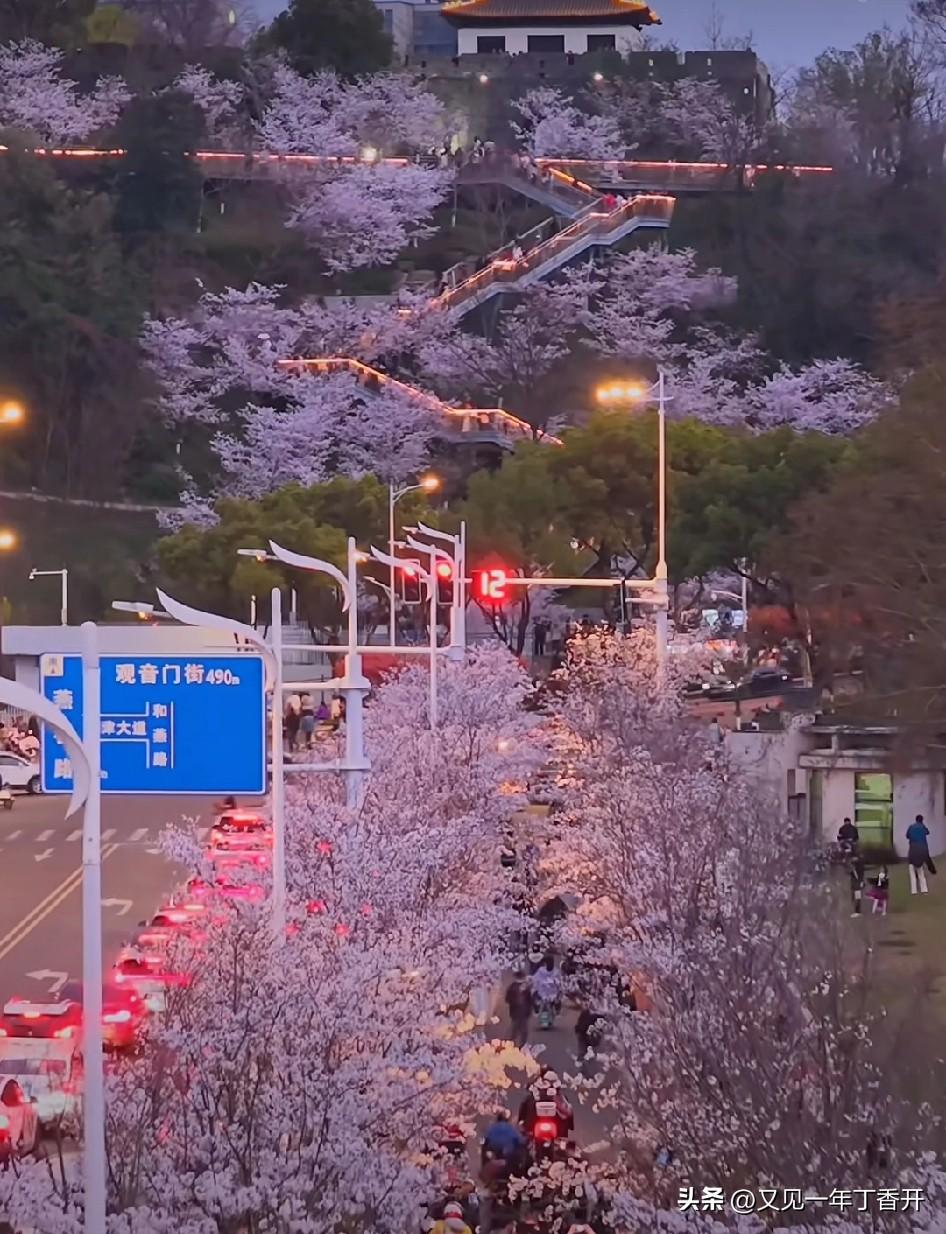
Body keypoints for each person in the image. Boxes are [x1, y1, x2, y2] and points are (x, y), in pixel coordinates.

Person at [906, 814, 934, 894]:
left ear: (915, 819)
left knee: (912, 871)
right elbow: (927, 832)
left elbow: (907, 836)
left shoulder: (911, 827)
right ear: (922, 820)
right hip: (921, 851)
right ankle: (924, 890)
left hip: (912, 851)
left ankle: (914, 891)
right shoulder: (922, 827)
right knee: (921, 872)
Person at [505, 972, 532, 1046]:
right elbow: (530, 1000)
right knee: (523, 1032)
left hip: (515, 1012)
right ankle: (521, 1046)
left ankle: (510, 1046)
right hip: (523, 1012)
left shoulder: (511, 987)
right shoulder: (526, 987)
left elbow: (507, 999)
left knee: (514, 1031)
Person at [849, 852, 866, 917]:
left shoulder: (858, 866)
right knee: (856, 896)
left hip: (857, 883)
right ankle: (857, 911)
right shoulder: (856, 865)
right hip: (856, 883)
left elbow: (859, 875)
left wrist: (861, 881)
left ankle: (857, 911)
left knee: (857, 897)